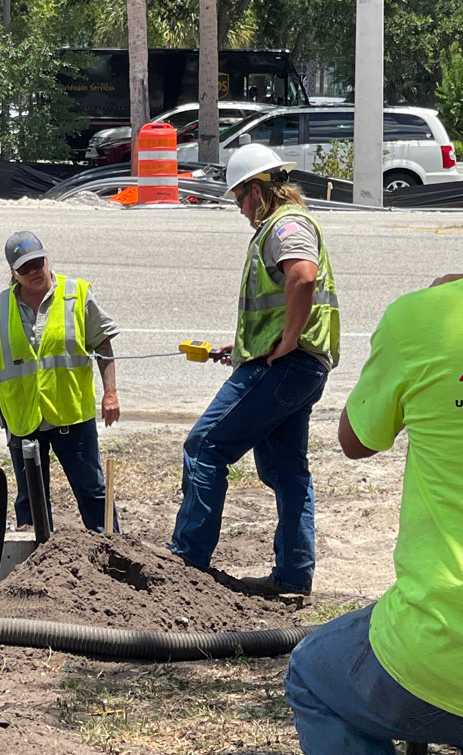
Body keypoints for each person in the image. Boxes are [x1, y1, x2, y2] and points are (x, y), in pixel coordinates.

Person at [285, 208, 463, 755]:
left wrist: (440, 312)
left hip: (435, 650)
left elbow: (354, 440)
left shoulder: (429, 317)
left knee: (314, 674)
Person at [168, 143, 339, 596]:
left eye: (241, 197)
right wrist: (248, 346)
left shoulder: (285, 225)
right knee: (287, 472)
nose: (240, 208)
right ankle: (293, 577)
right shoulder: (281, 225)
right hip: (300, 367)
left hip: (286, 365)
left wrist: (284, 341)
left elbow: (302, 275)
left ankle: (186, 564)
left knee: (205, 445)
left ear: (259, 190)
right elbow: (285, 293)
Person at [0, 230, 120, 532]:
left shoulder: (77, 293)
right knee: (30, 499)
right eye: (25, 267)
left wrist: (110, 394)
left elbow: (103, 344)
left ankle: (111, 554)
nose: (34, 271)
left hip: (71, 414)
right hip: (22, 418)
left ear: (47, 259)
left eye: (38, 262)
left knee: (92, 491)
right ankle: (35, 564)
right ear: (13, 271)